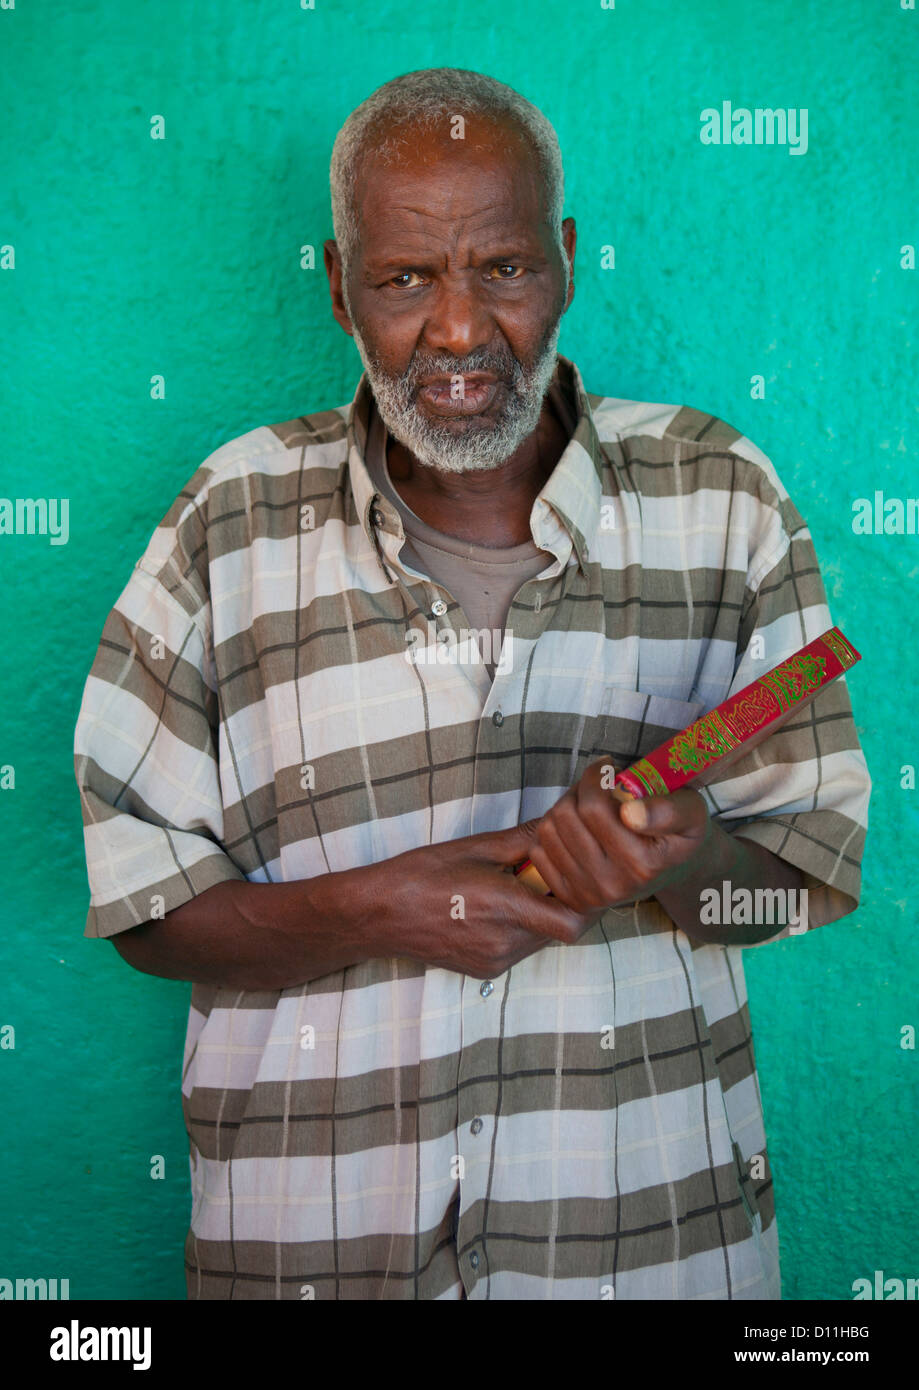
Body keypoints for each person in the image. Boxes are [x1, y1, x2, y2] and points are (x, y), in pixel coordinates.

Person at [73, 67, 870, 1300]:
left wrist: (685, 856)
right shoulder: (226, 521)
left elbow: (803, 886)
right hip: (313, 1262)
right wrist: (384, 905)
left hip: (653, 1256)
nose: (456, 330)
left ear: (562, 259)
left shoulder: (721, 496)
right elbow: (140, 905)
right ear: (339, 285)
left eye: (499, 267)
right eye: (404, 279)